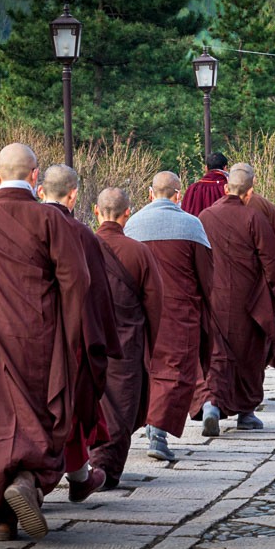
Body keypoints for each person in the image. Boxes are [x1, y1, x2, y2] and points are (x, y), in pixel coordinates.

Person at [0, 143, 91, 541]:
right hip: (38, 343)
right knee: (40, 421)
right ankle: (26, 482)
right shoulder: (49, 221)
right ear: (34, 177)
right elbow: (77, 282)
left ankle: (3, 521)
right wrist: (69, 336)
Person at [39, 165, 122, 500]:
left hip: (20, 337)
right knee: (69, 406)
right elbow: (97, 295)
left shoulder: (21, 228)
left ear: (41, 190)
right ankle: (75, 476)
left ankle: (50, 481)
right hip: (69, 338)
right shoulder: (82, 234)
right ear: (73, 195)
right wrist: (100, 344)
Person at [125, 171, 213, 460]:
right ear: (179, 195)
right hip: (181, 311)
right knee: (175, 373)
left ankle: (151, 424)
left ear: (150, 193)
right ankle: (158, 432)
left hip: (141, 311)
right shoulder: (191, 225)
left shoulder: (133, 224)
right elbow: (206, 276)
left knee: (148, 368)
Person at [195, 168, 275, 434]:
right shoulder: (253, 217)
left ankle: (211, 403)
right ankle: (246, 413)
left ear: (225, 189)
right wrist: (274, 291)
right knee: (249, 354)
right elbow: (272, 261)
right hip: (248, 300)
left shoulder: (205, 216)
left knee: (216, 355)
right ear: (249, 192)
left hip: (213, 296)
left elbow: (197, 256)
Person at [88, 187, 164, 489]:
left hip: (88, 339)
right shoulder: (138, 251)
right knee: (122, 405)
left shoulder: (83, 246)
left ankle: (87, 463)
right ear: (127, 213)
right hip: (126, 342)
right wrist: (151, 342)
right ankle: (106, 467)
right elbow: (155, 303)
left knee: (89, 401)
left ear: (96, 211)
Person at [231, 162, 275, 370]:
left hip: (224, 285)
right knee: (255, 334)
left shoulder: (213, 211)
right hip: (257, 282)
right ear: (252, 183)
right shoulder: (264, 206)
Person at [181, 152, 228, 216]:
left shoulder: (193, 189)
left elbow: (185, 214)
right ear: (225, 168)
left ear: (206, 168)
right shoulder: (230, 188)